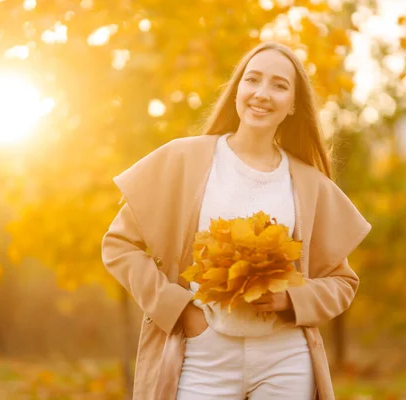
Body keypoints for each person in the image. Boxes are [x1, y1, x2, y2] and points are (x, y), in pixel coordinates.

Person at [101, 41, 371, 400]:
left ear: (293, 105)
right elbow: (118, 245)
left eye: (279, 85)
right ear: (237, 90)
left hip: (285, 357)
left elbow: (343, 282)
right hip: (203, 354)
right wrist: (180, 311)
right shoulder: (185, 159)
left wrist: (292, 299)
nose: (262, 93)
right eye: (253, 79)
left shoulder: (308, 183)